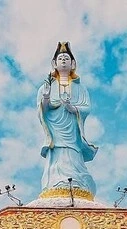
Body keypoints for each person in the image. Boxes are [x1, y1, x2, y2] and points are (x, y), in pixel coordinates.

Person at [38, 42, 98, 198]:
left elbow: (86, 107)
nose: (63, 60)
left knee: (73, 155)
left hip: (72, 128)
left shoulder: (80, 88)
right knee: (57, 155)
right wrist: (45, 97)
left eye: (66, 58)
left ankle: (77, 183)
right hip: (56, 128)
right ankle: (55, 184)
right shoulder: (47, 86)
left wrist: (73, 109)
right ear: (54, 63)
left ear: (73, 64)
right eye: (60, 58)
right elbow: (42, 110)